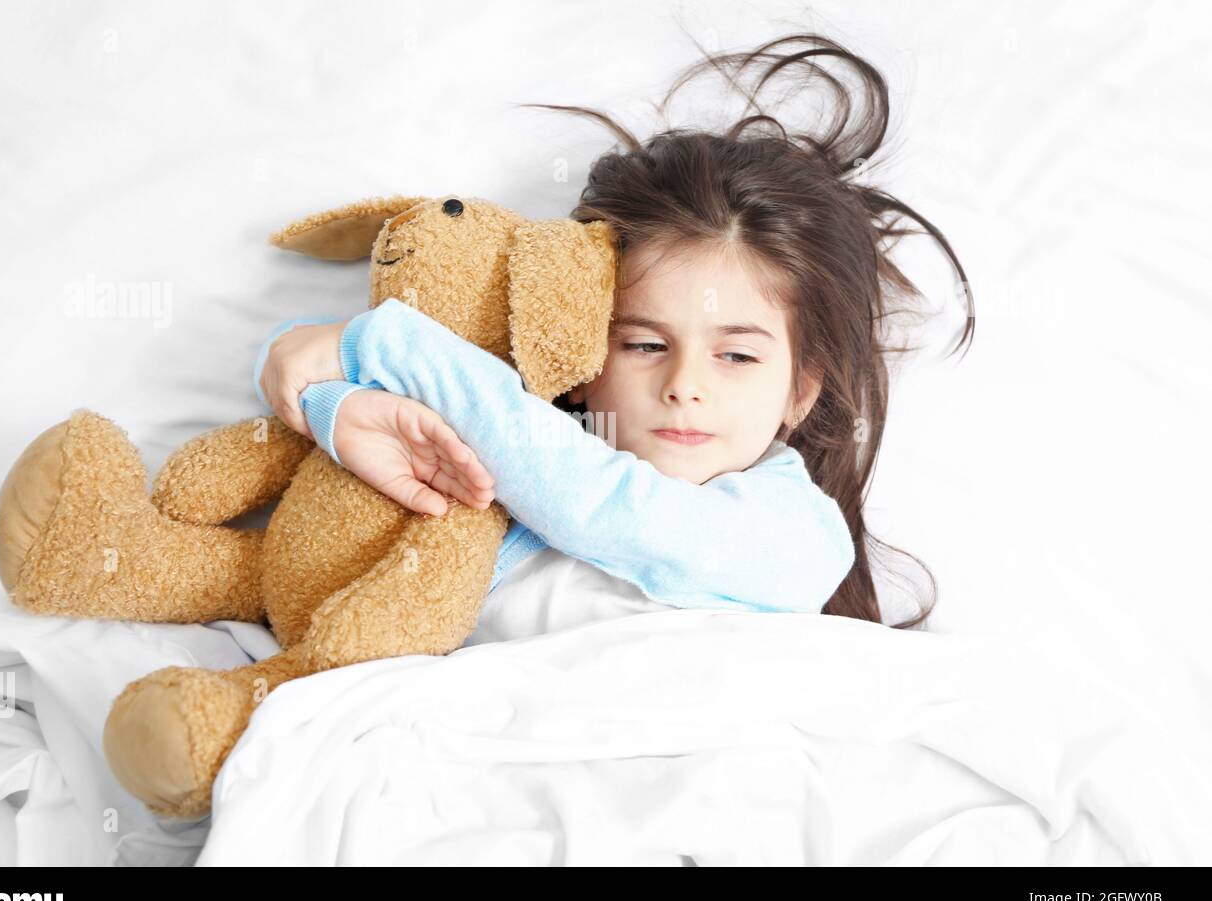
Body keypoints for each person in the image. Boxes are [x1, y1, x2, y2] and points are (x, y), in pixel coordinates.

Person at [256, 32, 975, 635]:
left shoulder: (798, 535)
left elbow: (594, 503)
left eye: (736, 355)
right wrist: (333, 400)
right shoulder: (504, 471)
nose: (684, 387)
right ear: (578, 352)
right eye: (644, 345)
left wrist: (385, 345)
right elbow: (374, 523)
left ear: (800, 390)